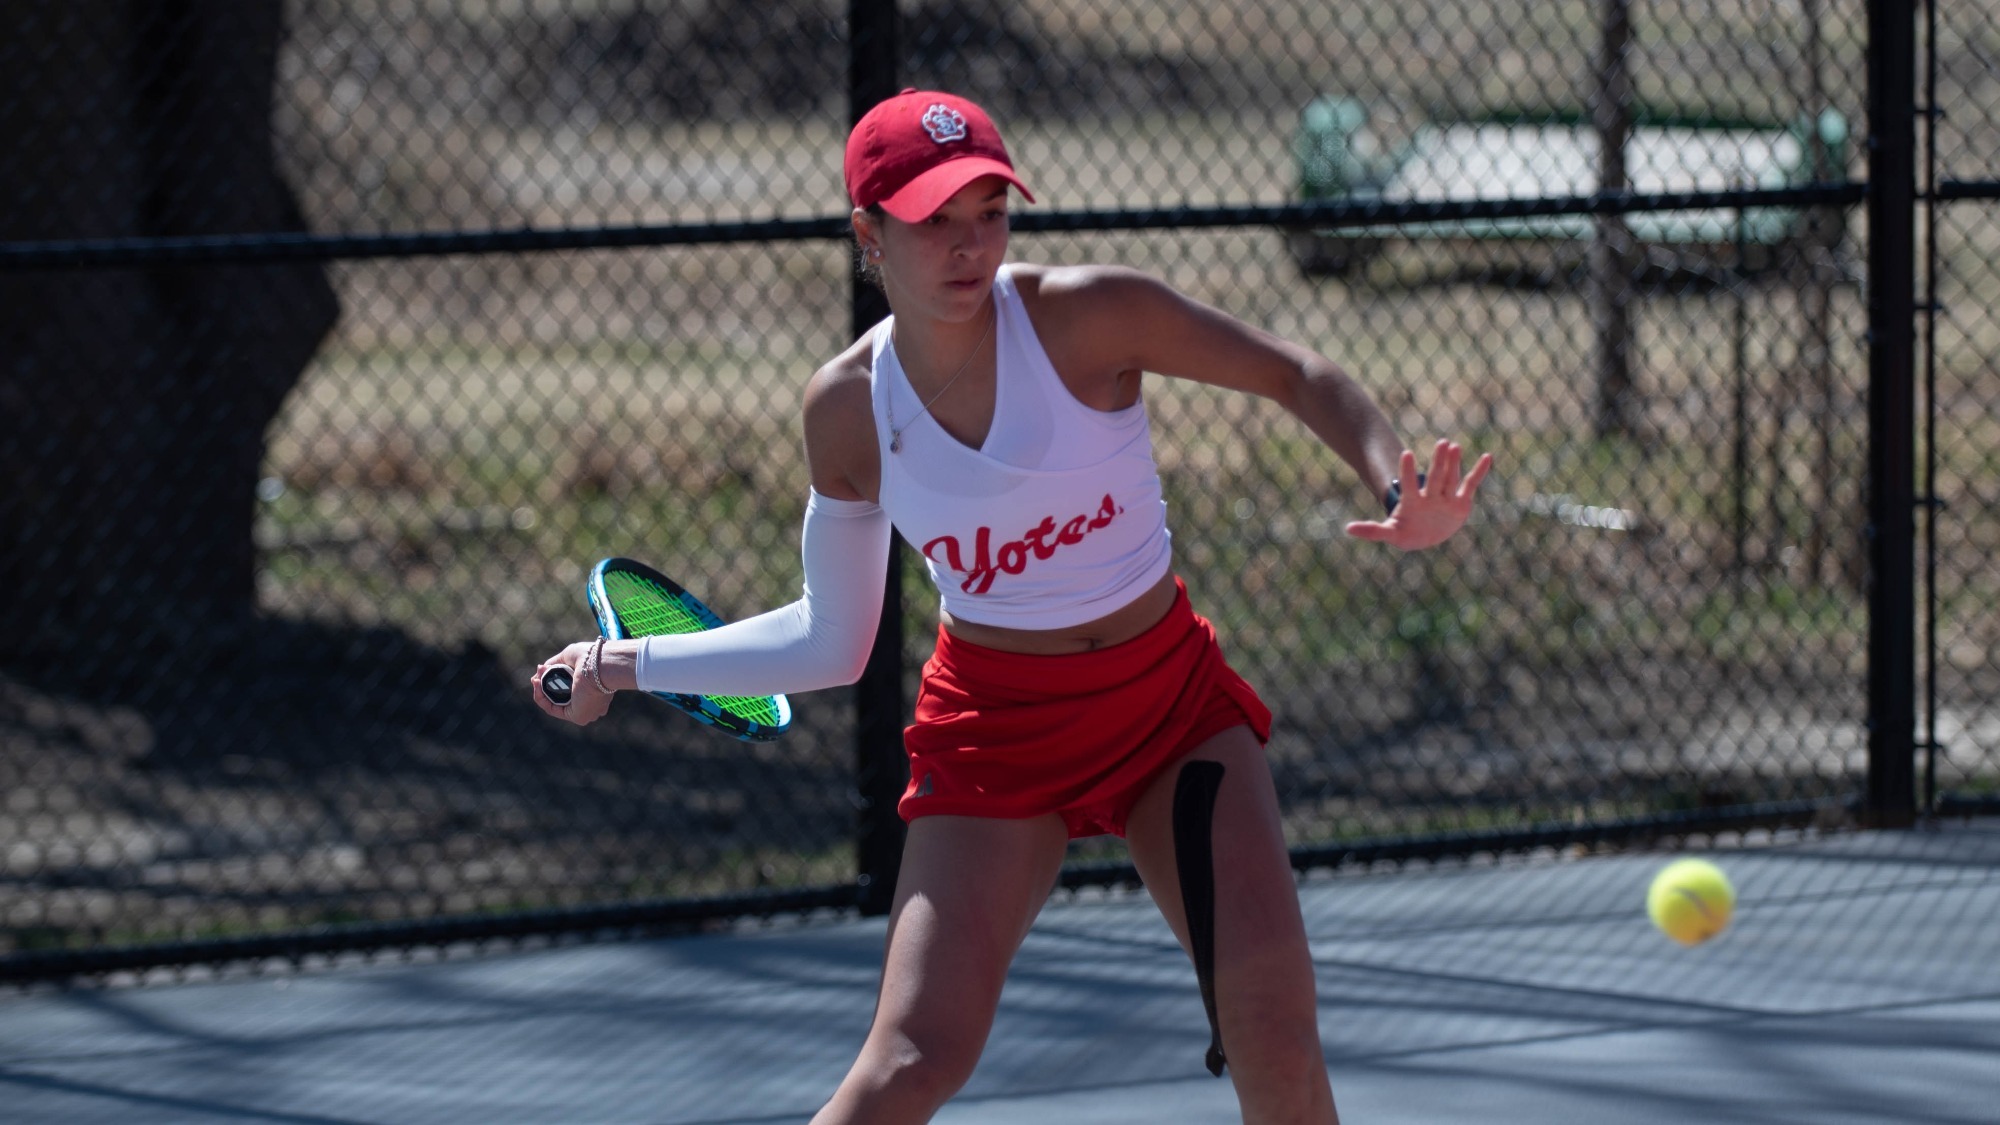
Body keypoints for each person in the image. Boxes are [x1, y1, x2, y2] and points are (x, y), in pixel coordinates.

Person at [533, 88, 1491, 1125]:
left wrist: (1397, 489)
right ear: (869, 235)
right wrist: (621, 667)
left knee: (1274, 1034)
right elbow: (832, 639)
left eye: (987, 211)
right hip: (995, 735)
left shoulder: (1089, 316)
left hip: (1168, 712)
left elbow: (1296, 374)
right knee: (908, 1063)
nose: (966, 244)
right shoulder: (848, 408)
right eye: (932, 219)